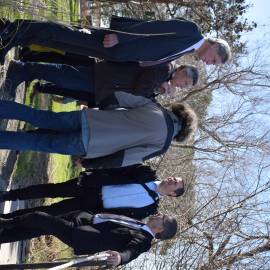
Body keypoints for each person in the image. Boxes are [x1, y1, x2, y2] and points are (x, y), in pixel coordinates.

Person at [0, 95, 198, 169]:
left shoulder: (155, 106)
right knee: (36, 143)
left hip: (88, 118)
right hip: (88, 145)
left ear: (179, 112)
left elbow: (116, 98)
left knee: (38, 116)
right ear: (181, 134)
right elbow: (123, 158)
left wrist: (95, 106)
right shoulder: (161, 145)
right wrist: (89, 163)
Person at [0, 17, 231, 66]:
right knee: (64, 34)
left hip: (113, 52)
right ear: (213, 46)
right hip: (115, 41)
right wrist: (120, 37)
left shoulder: (186, 52)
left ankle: (17, 37)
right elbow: (154, 28)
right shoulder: (191, 32)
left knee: (62, 44)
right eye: (214, 60)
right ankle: (13, 29)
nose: (209, 64)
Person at [0, 164, 184, 220]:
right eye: (174, 178)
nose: (172, 180)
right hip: (91, 185)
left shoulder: (151, 209)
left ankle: (8, 219)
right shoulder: (147, 172)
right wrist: (93, 170)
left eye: (175, 184)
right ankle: (8, 195)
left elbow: (123, 217)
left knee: (50, 213)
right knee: (51, 189)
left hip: (92, 205)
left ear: (173, 194)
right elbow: (118, 169)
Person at [0, 211, 178, 266]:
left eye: (162, 217)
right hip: (84, 220)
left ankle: (5, 223)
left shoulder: (144, 241)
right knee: (39, 227)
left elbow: (132, 251)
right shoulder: (141, 224)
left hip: (81, 236)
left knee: (39, 218)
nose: (159, 214)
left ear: (160, 229)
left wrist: (120, 257)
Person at [1, 60, 199, 106]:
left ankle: (24, 71)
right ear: (182, 71)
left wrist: (159, 89)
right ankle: (21, 69)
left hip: (103, 82)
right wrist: (160, 87)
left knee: (62, 77)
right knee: (62, 75)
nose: (181, 86)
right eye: (185, 82)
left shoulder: (164, 77)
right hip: (104, 77)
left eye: (185, 87)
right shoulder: (165, 69)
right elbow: (139, 91)